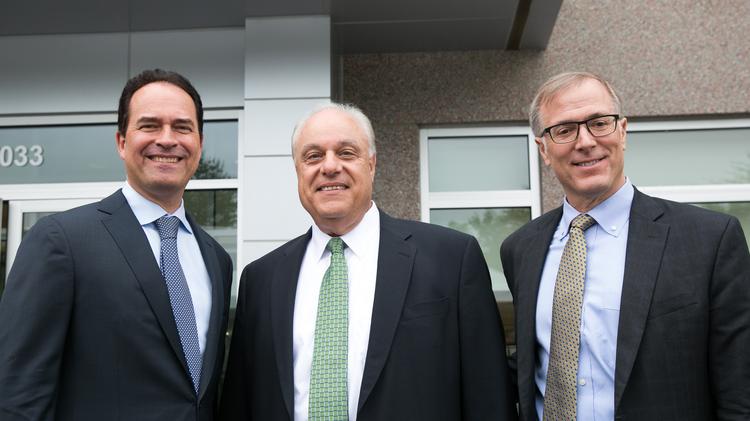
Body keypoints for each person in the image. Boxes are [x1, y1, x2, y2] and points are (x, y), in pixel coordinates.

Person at [220, 103, 516, 420]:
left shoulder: (451, 259)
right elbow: (240, 403)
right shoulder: (261, 280)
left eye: (346, 153)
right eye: (313, 156)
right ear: (298, 171)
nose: (329, 167)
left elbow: (489, 396)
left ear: (372, 165)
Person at [501, 71, 750, 420]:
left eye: (599, 123)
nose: (585, 141)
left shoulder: (709, 239)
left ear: (623, 131)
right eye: (564, 130)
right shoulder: (520, 249)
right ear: (543, 148)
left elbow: (740, 391)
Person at [0, 69, 233, 420]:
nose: (167, 139)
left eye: (182, 127)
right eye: (150, 125)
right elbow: (19, 393)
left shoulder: (216, 259)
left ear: (199, 145)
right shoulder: (62, 241)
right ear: (122, 142)